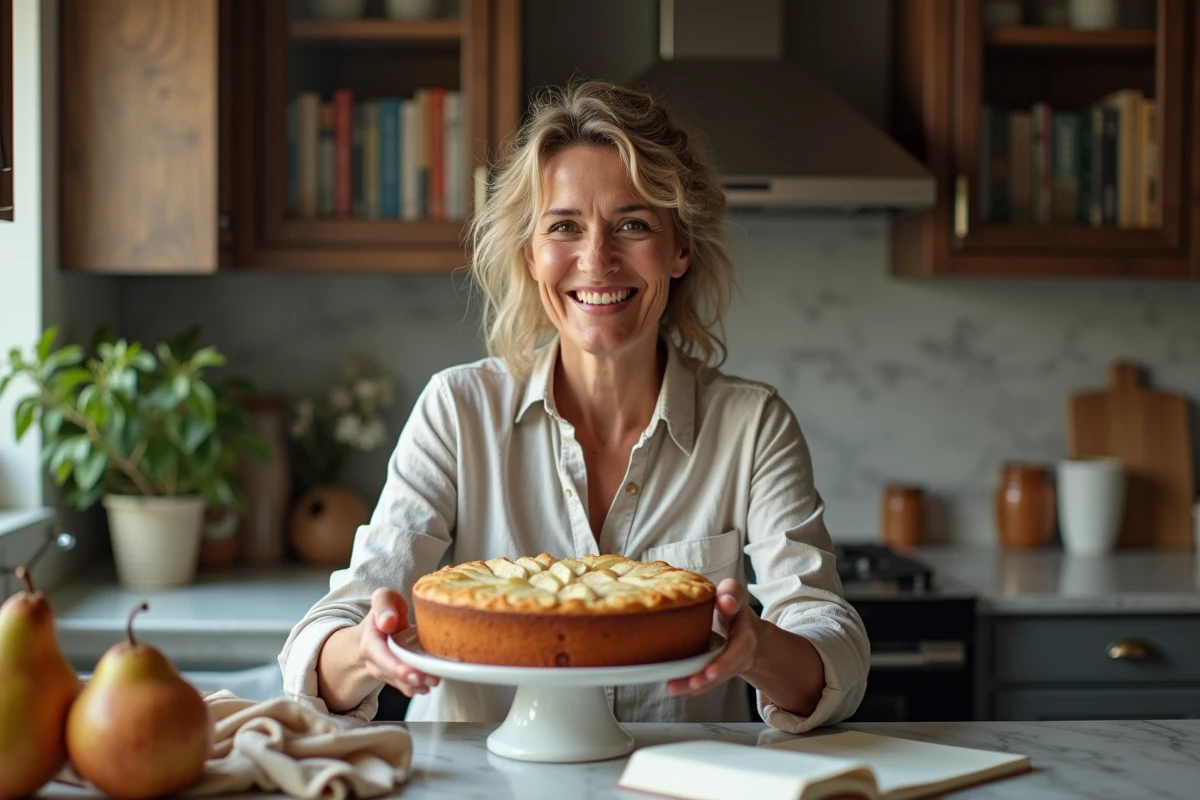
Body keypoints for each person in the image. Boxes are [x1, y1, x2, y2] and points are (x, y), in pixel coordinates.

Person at [279, 79, 869, 733]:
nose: (597, 259)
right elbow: (330, 637)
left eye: (632, 225)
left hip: (674, 777)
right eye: (564, 227)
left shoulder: (752, 426)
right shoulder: (457, 410)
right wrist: (366, 650)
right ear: (531, 255)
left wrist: (756, 647)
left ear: (680, 250)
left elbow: (831, 643)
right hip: (481, 779)